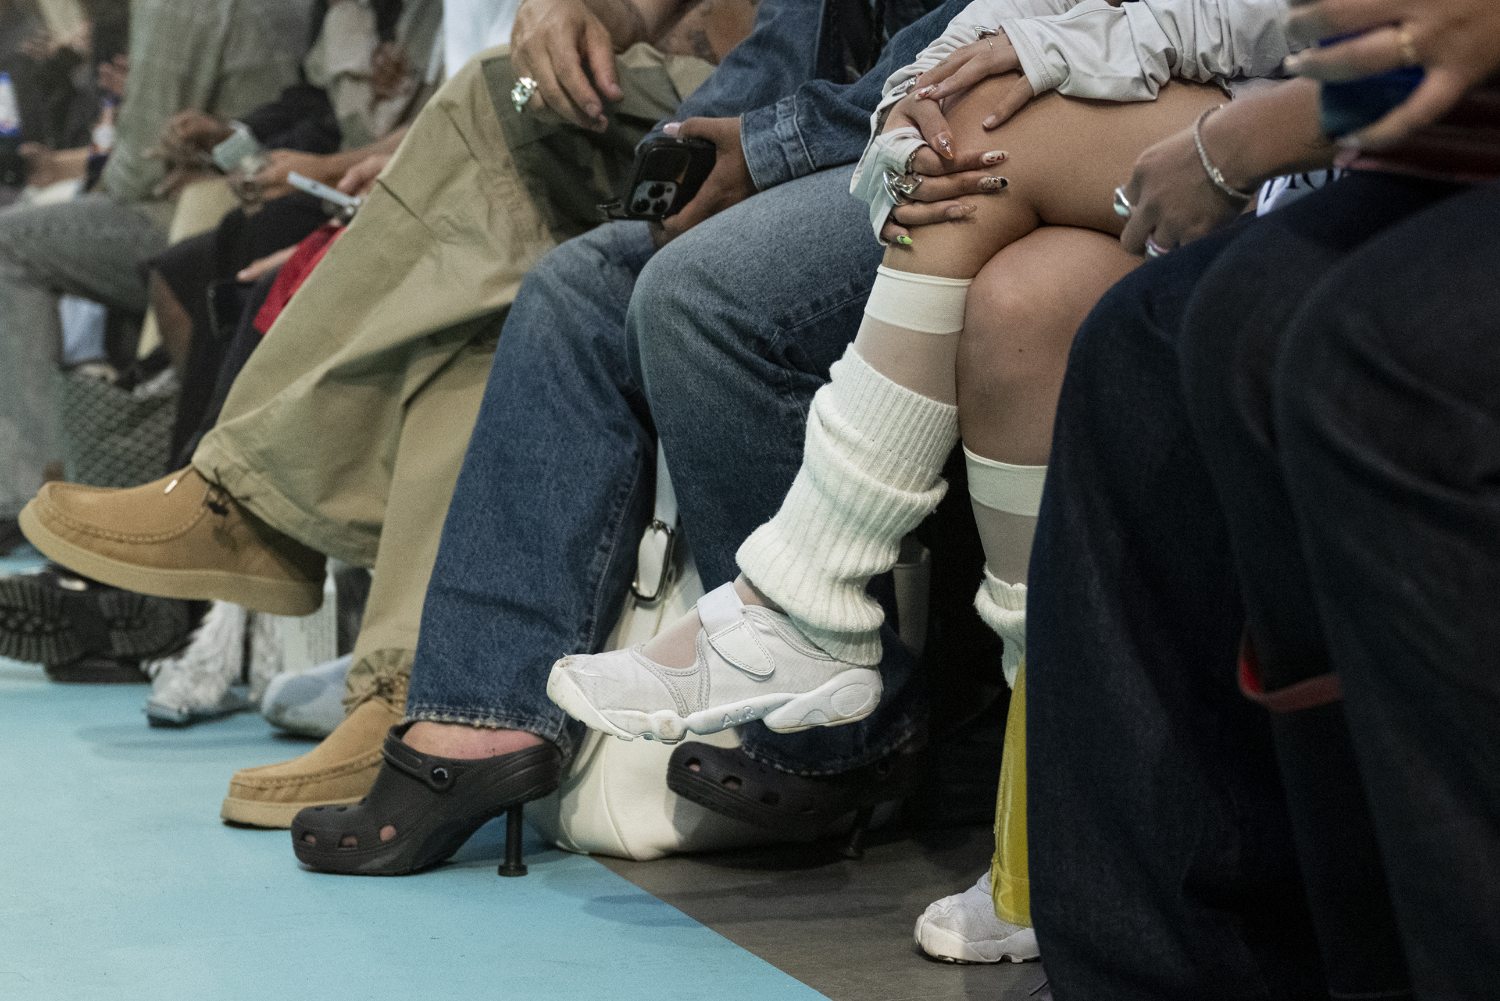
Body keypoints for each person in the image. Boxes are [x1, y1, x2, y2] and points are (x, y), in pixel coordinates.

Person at [1026, 1, 1500, 996]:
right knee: (1151, 343)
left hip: (1413, 118)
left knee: (1365, 363)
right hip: (1423, 142)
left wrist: (1264, 128)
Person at [0, 0, 311, 547]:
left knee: (9, 241)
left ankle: (27, 498)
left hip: (206, 204)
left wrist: (89, 175)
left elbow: (137, 168)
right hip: (250, 180)